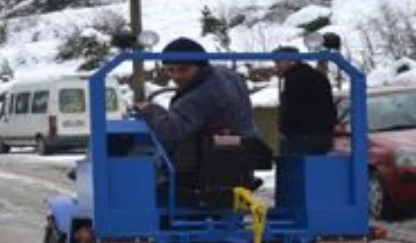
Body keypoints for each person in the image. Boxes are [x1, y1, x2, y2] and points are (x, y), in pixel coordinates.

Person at [136, 38, 266, 200]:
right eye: (170, 70)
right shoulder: (227, 77)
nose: (176, 76)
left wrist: (150, 110)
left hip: (204, 173)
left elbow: (169, 133)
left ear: (200, 66)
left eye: (183, 69)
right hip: (236, 162)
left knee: (138, 157)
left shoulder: (204, 93)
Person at [271, 45, 338, 155]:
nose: (276, 66)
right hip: (323, 135)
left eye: (278, 62)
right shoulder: (318, 75)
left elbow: (291, 108)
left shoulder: (294, 79)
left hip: (300, 136)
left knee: (293, 169)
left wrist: (284, 129)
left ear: (291, 61)